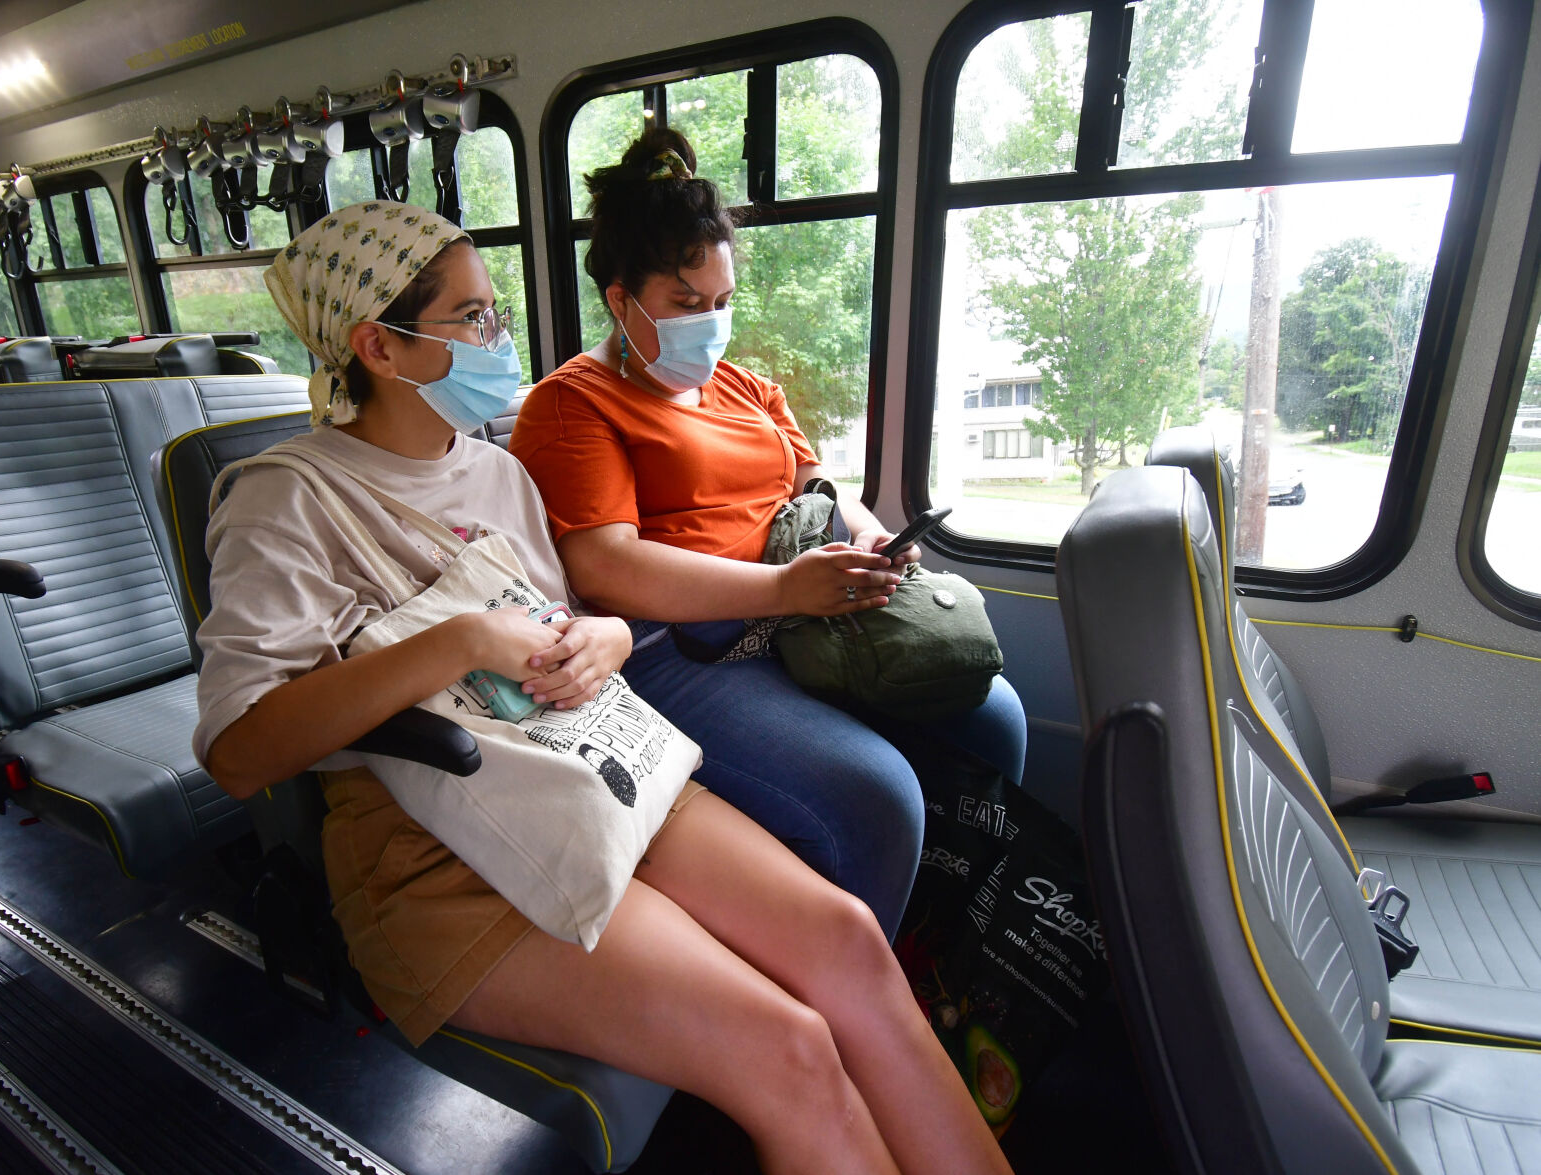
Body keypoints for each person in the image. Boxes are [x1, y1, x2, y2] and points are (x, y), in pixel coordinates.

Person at [193, 202, 1011, 1175]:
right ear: (379, 345)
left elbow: (577, 620)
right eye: (474, 318)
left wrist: (608, 634)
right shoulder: (285, 498)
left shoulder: (494, 473)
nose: (501, 338)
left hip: (592, 766)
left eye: (495, 312)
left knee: (848, 945)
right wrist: (458, 642)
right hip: (440, 852)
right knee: (788, 1046)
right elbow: (240, 752)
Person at [510, 129, 1029, 940]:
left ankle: (946, 937)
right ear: (620, 300)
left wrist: (870, 541)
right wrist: (786, 588)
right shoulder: (571, 404)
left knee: (991, 715)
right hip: (675, 652)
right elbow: (605, 565)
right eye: (686, 304)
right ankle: (865, 984)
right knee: (875, 794)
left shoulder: (745, 389)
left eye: (722, 303)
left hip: (796, 617)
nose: (710, 324)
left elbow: (817, 488)